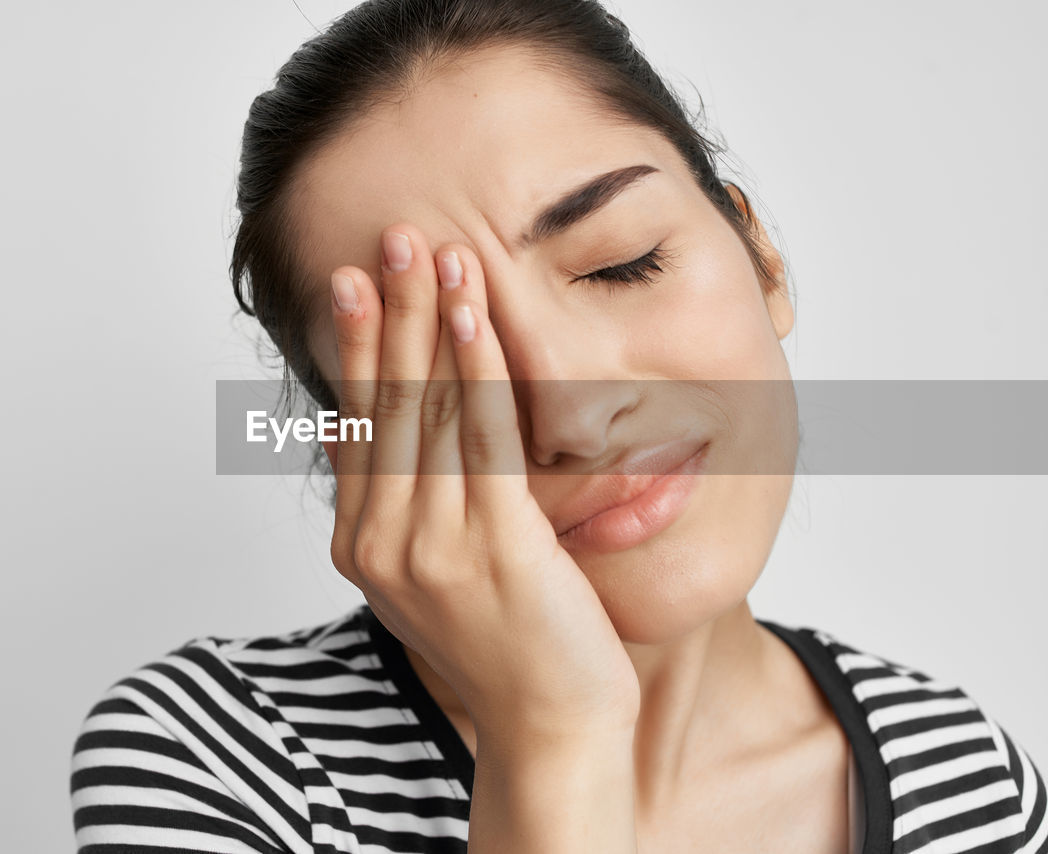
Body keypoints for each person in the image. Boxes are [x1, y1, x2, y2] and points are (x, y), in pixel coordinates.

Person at [68, 1, 1046, 851]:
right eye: (448, 363)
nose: (572, 418)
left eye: (619, 262)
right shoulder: (222, 758)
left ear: (761, 257)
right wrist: (553, 730)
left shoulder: (963, 776)